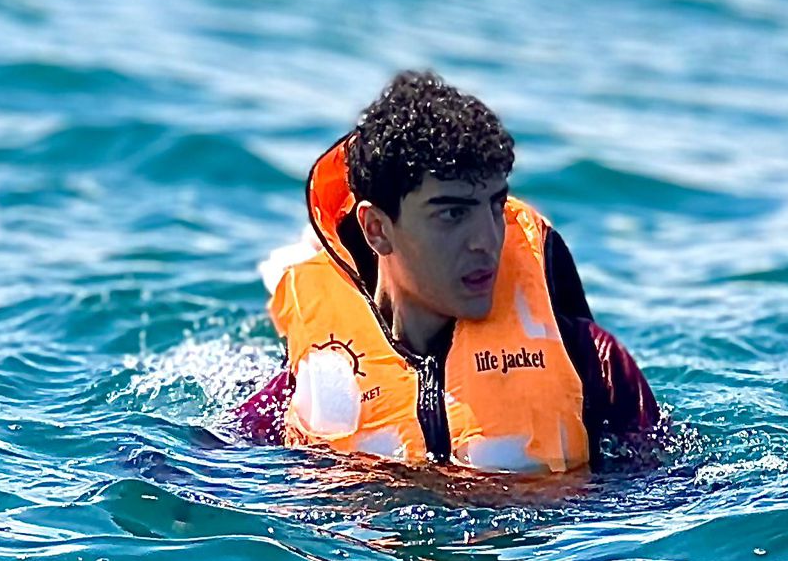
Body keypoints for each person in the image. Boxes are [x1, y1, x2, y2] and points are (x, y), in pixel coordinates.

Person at [234, 71, 658, 473]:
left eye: (496, 206)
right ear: (377, 229)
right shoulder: (306, 382)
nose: (486, 241)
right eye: (453, 214)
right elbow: (220, 472)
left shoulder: (592, 363)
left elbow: (664, 496)